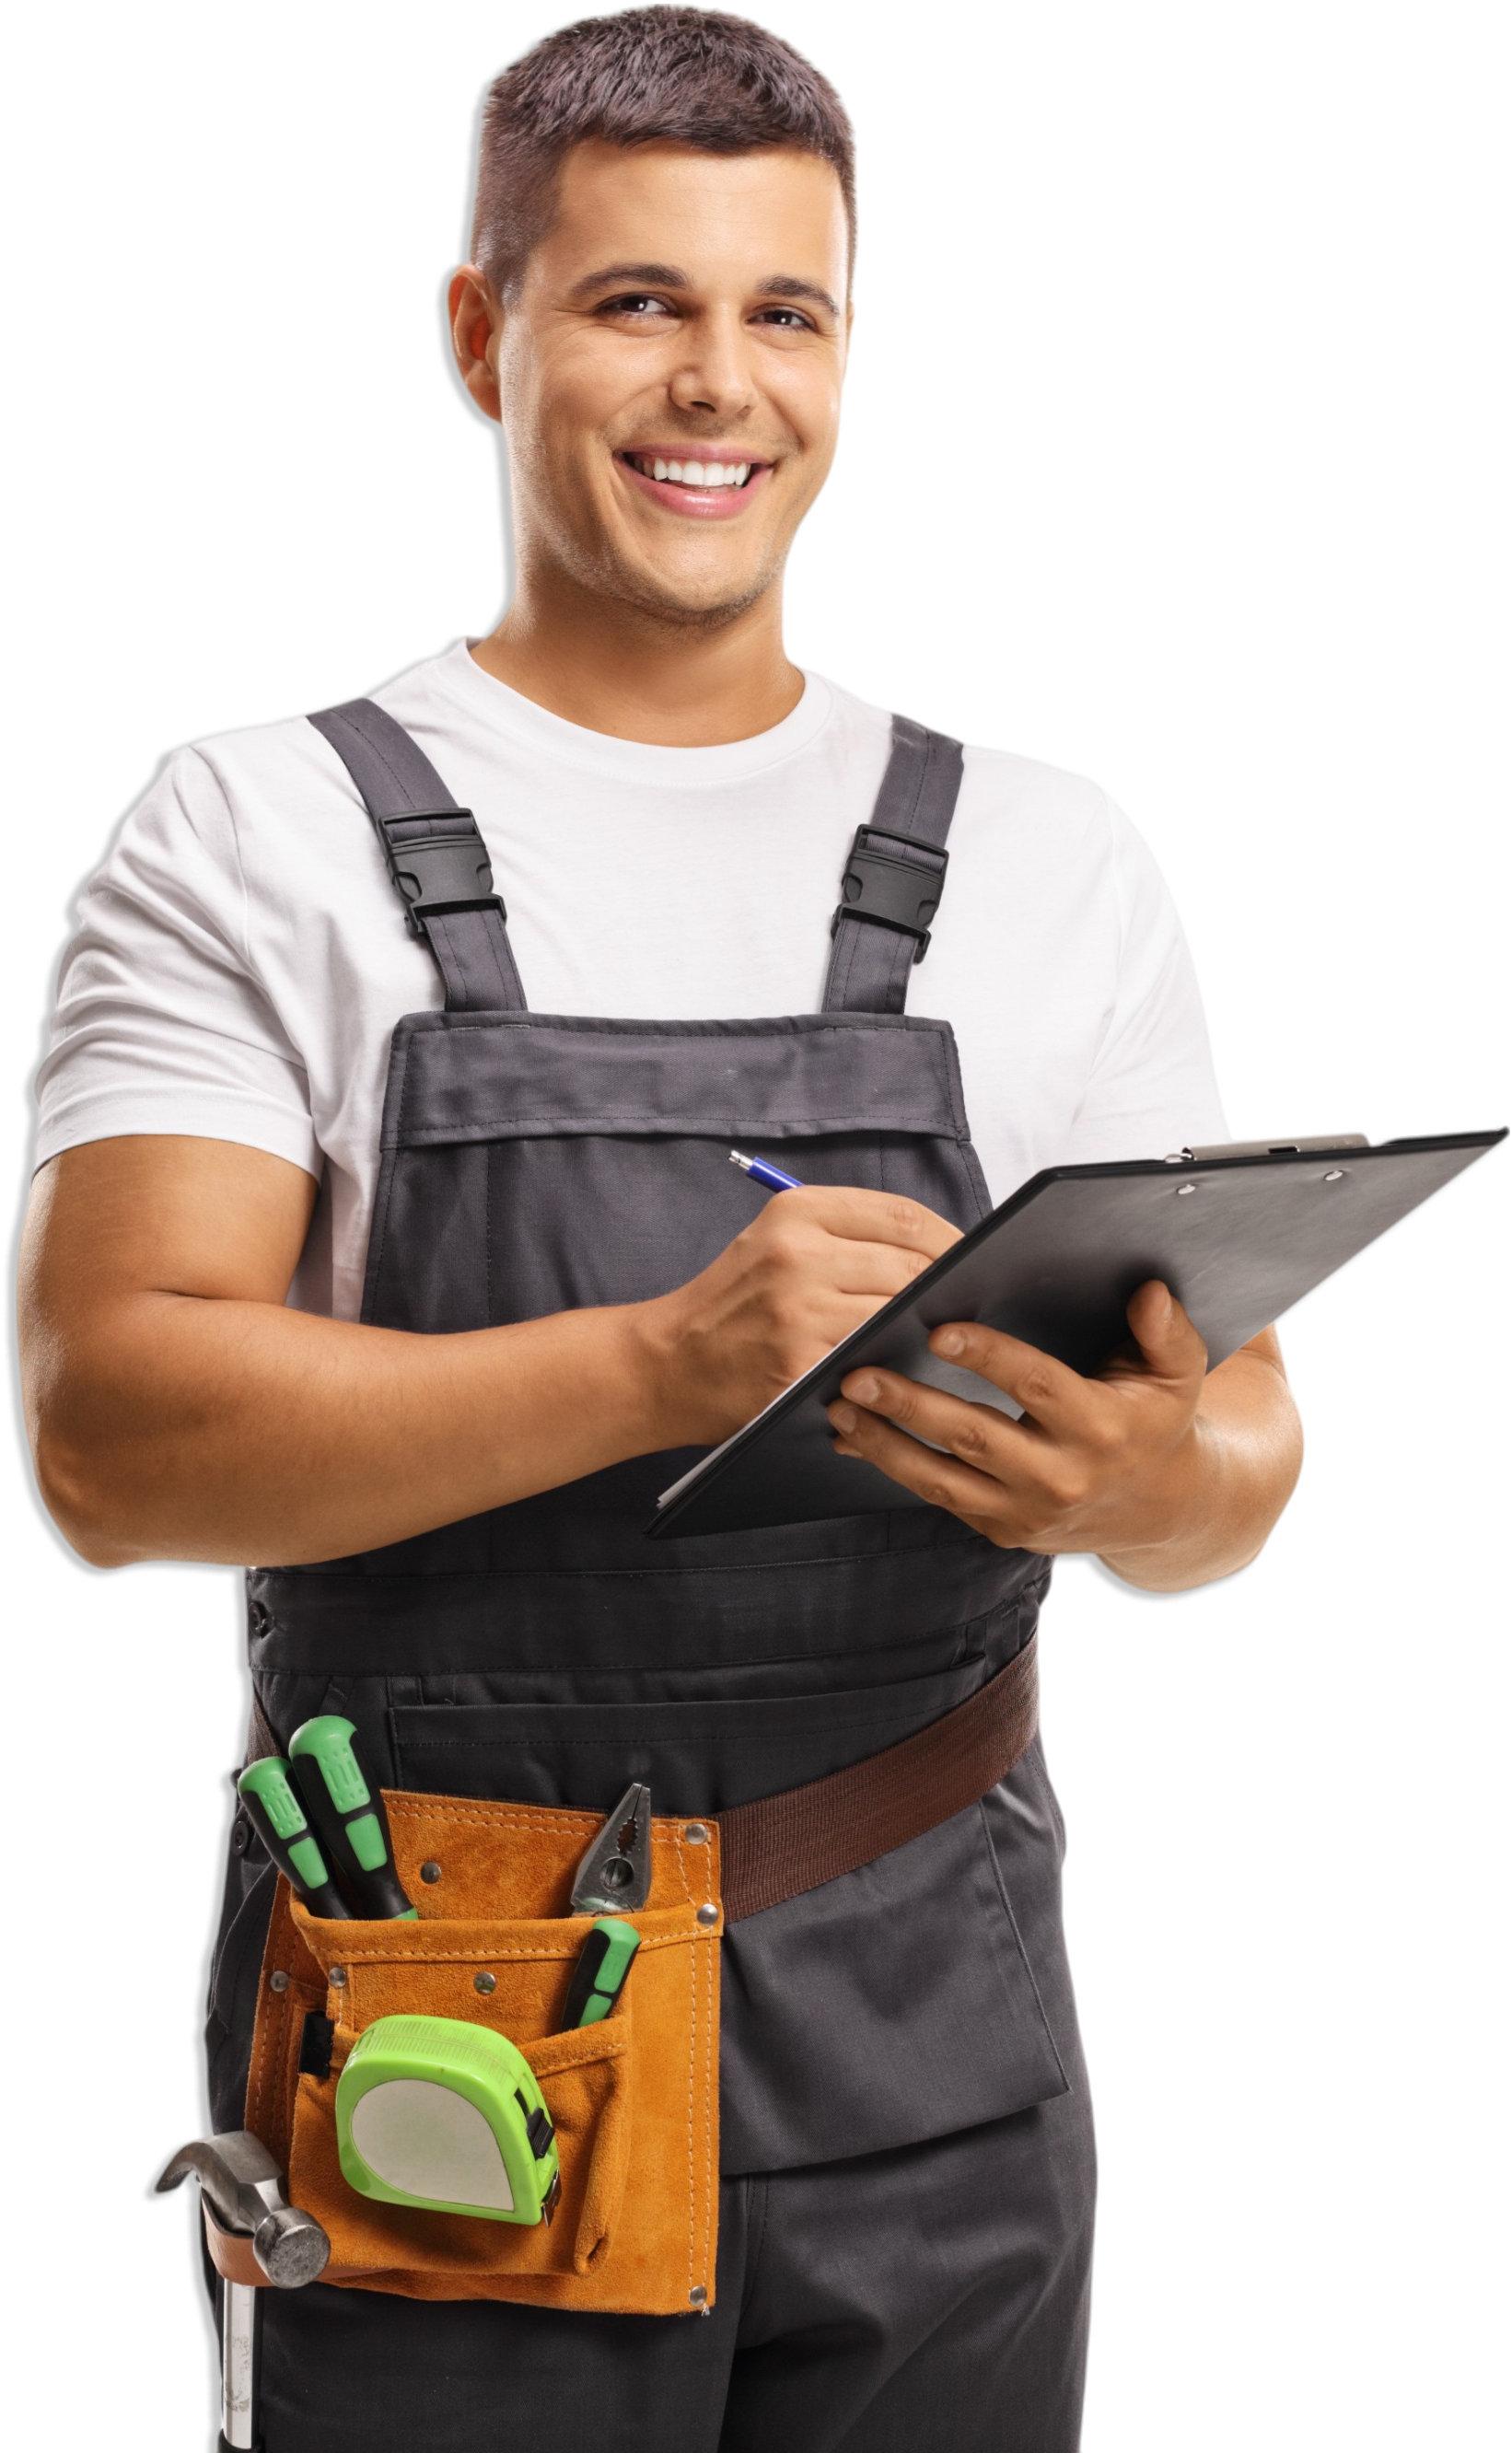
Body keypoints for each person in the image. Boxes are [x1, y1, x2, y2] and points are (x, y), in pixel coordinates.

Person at [17, 8, 1304, 2447]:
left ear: (843, 348)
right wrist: (658, 1365)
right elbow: (119, 1436)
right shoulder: (255, 830)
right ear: (487, 332)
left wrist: (1132, 1489)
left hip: (937, 2015)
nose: (717, 383)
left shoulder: (1055, 856)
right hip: (455, 2012)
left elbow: (1239, 1453)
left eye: (781, 311)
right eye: (633, 302)